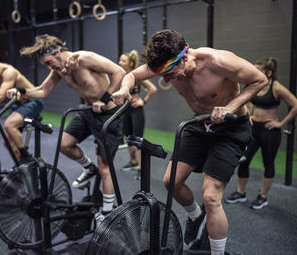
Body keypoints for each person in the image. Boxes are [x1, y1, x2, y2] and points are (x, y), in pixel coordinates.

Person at [112, 29, 267, 254]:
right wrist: (124, 88)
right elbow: (132, 75)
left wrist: (230, 107)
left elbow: (259, 80)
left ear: (184, 57)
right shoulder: (168, 64)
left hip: (232, 128)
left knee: (211, 196)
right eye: (160, 73)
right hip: (200, 124)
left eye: (168, 72)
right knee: (170, 181)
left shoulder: (218, 61)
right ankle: (196, 216)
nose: (164, 79)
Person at [6, 34, 126, 223]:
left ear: (58, 53)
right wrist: (20, 91)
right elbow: (42, 91)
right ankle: (88, 168)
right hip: (87, 111)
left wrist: (105, 99)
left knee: (105, 168)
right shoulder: (59, 69)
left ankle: (107, 213)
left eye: (48, 62)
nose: (49, 67)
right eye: (45, 65)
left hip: (108, 114)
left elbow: (119, 71)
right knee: (64, 144)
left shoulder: (85, 59)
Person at [226, 57, 297, 210]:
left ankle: (263, 196)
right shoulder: (255, 84)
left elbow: (295, 104)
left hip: (270, 131)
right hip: (253, 128)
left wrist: (280, 123)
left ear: (269, 73)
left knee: (268, 163)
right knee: (244, 160)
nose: (254, 72)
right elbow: (249, 101)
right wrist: (250, 115)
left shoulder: (276, 87)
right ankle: (240, 192)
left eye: (258, 70)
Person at [0, 47, 44, 163]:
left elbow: (0, 96)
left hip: (32, 101)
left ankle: (27, 157)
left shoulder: (8, 72)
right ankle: (21, 167)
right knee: (7, 142)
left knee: (9, 124)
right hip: (19, 105)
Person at [118, 50, 157, 172]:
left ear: (130, 63)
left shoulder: (137, 76)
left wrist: (143, 102)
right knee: (128, 137)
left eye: (123, 60)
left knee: (138, 139)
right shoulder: (120, 76)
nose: (120, 62)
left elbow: (152, 89)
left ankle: (141, 167)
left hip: (136, 111)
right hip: (125, 111)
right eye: (119, 60)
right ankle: (133, 161)